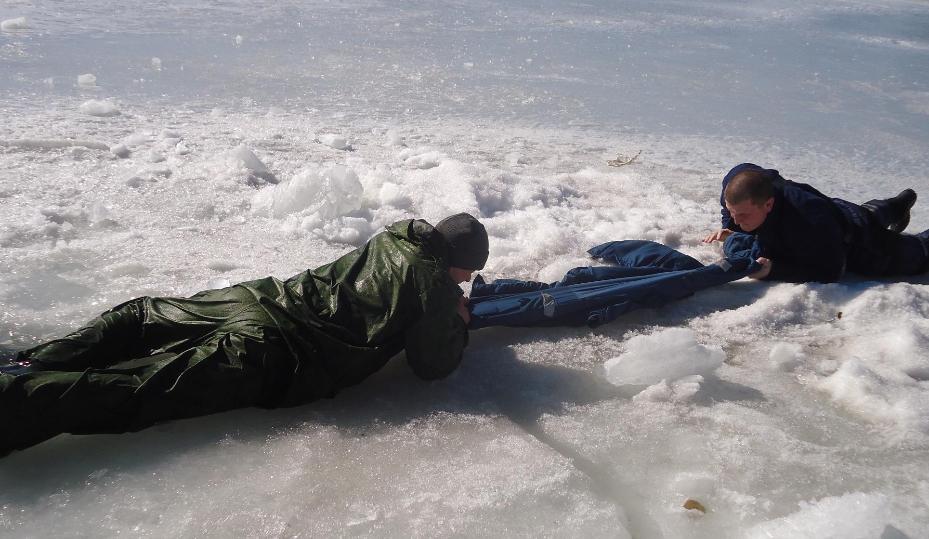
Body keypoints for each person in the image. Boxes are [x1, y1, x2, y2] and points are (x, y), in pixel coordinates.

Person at [0, 213, 489, 455]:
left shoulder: (393, 236)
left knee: (140, 316)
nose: (464, 284)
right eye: (466, 276)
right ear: (458, 265)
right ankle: (12, 398)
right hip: (279, 351)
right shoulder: (435, 285)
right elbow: (432, 365)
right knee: (143, 389)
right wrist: (458, 323)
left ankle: (31, 361)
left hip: (257, 299)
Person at [703, 163, 929, 282]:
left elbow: (831, 270)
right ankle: (897, 206)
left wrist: (774, 271)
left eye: (743, 216)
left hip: (859, 244)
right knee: (863, 215)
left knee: (920, 253)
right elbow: (734, 194)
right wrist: (730, 226)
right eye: (733, 212)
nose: (736, 220)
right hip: (838, 211)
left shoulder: (806, 220)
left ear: (768, 204)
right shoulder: (740, 185)